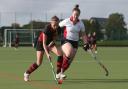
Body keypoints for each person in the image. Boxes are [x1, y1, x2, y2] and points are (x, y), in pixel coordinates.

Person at [24, 16, 63, 81]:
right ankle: (26, 73)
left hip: (50, 43)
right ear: (51, 23)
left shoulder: (58, 29)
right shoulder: (47, 28)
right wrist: (48, 54)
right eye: (54, 25)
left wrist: (50, 46)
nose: (55, 27)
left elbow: (54, 39)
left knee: (60, 53)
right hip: (41, 43)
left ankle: (58, 73)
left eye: (57, 25)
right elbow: (44, 44)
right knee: (39, 63)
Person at [56, 4, 88, 79]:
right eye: (74, 14)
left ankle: (60, 73)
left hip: (75, 43)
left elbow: (83, 34)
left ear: (79, 15)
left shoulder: (81, 23)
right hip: (66, 40)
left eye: (77, 15)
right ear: (72, 14)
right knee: (69, 52)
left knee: (69, 62)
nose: (75, 16)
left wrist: (86, 43)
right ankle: (60, 72)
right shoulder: (67, 21)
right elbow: (57, 27)